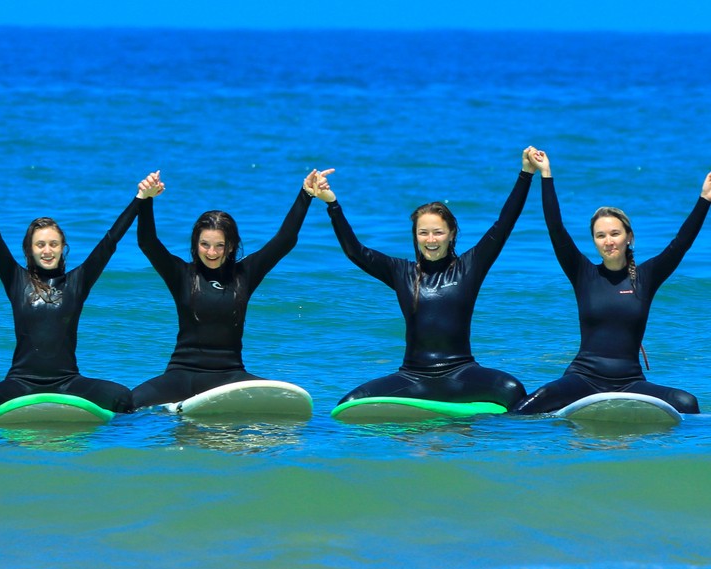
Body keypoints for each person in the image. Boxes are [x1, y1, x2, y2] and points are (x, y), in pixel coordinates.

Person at [310, 151, 539, 409]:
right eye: (423, 233)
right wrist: (332, 204)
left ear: (451, 234)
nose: (431, 240)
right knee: (350, 403)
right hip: (413, 377)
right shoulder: (401, 272)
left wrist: (526, 173)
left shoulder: (469, 267)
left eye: (438, 232)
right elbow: (356, 252)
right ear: (416, 236)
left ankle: (500, 431)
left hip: (461, 374)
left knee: (513, 390)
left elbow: (504, 224)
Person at [513, 150, 710, 415]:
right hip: (583, 378)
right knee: (528, 406)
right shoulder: (583, 273)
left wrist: (705, 199)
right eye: (600, 235)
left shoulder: (646, 277)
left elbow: (680, 244)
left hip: (630, 381)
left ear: (629, 237)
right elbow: (556, 229)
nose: (608, 241)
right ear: (594, 241)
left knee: (688, 403)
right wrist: (546, 175)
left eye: (615, 233)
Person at [0, 173, 161, 414]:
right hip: (21, 382)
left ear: (62, 248)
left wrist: (141, 198)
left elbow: (110, 241)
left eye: (53, 244)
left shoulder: (77, 282)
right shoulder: (16, 279)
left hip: (68, 382)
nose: (47, 250)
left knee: (123, 398)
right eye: (40, 245)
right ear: (29, 249)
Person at [130, 169, 324, 408]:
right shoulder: (181, 273)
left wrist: (306, 194)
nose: (211, 252)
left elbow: (285, 240)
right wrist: (146, 198)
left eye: (219, 245)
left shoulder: (244, 274)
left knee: (285, 405)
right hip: (182, 375)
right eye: (205, 244)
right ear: (196, 244)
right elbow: (147, 242)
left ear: (231, 246)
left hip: (230, 376)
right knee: (128, 405)